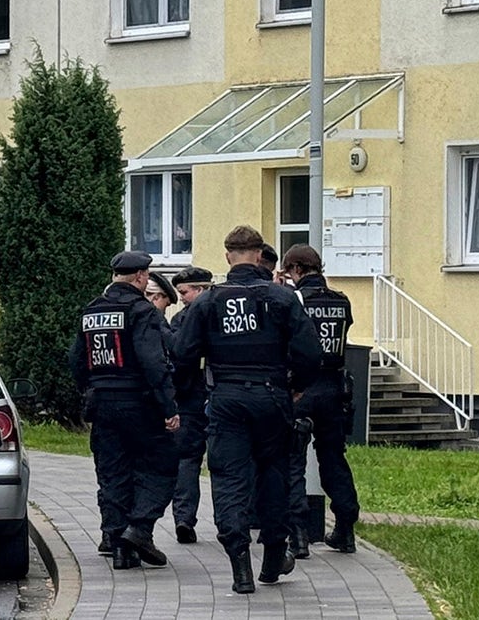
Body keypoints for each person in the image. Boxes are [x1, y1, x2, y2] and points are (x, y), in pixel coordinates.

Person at [173, 226, 321, 594]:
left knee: (229, 479)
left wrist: (189, 393)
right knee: (274, 475)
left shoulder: (208, 301)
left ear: (228, 256)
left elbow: (183, 354)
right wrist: (296, 386)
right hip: (272, 397)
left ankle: (240, 567)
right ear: (258, 256)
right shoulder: (282, 298)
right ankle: (273, 557)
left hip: (226, 398)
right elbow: (310, 353)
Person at [68, 250, 180, 570]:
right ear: (142, 277)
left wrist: (92, 390)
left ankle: (119, 547)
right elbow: (153, 363)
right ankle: (140, 529)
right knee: (162, 464)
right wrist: (168, 407)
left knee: (113, 472)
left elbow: (76, 360)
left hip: (102, 405)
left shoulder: (92, 310)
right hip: (139, 403)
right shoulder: (141, 311)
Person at [282, 244, 361, 556]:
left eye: (289, 272)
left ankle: (298, 535)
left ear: (297, 269)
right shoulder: (341, 300)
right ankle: (345, 529)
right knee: (334, 460)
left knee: (293, 463)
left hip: (301, 389)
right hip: (334, 390)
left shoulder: (295, 299)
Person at [167, 266, 214, 544]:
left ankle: (184, 518)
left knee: (188, 460)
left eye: (184, 292)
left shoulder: (182, 321)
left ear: (200, 289)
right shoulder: (223, 314)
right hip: (216, 396)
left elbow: (176, 357)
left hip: (190, 398)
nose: (181, 298)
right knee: (224, 464)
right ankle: (232, 520)